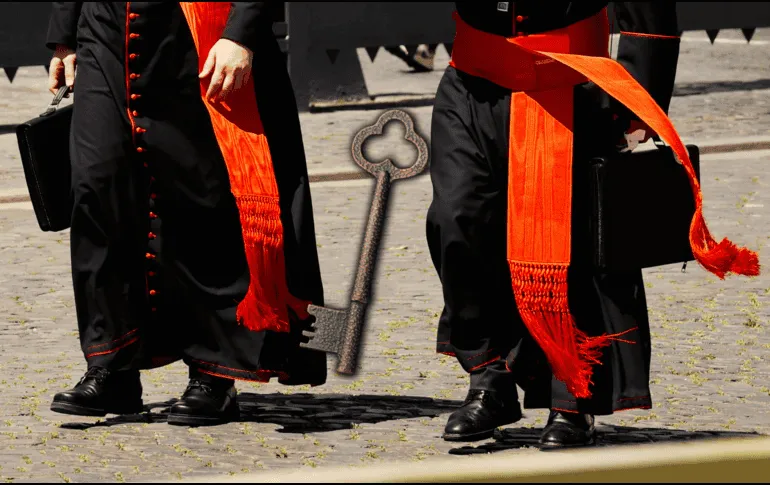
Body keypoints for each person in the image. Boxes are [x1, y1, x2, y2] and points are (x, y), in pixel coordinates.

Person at [426, 2, 759, 449]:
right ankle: (491, 378)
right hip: (471, 83)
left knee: (572, 246)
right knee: (456, 220)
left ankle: (572, 399)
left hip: (570, 81)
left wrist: (637, 101)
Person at [45, 1, 326, 426]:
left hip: (198, 31)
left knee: (203, 198)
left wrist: (241, 32)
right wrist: (64, 35)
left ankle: (215, 373)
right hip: (103, 31)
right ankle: (112, 364)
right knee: (96, 188)